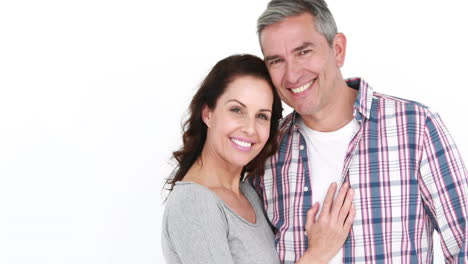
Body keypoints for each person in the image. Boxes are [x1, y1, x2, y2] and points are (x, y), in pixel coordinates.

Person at [249, 0, 468, 263]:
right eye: (276, 61)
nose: (292, 74)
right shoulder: (265, 148)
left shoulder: (416, 128)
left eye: (304, 52)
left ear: (338, 49)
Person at [161, 54, 356, 264]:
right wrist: (317, 254)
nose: (250, 128)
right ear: (208, 113)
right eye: (237, 110)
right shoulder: (194, 202)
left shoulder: (249, 193)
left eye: (262, 116)